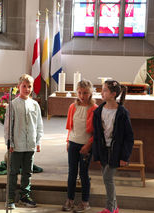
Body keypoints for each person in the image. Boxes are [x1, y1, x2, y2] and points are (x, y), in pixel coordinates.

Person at [92, 80, 134, 213]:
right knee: (107, 178)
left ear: (113, 94)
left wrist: (125, 156)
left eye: (104, 90)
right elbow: (97, 135)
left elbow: (129, 137)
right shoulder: (98, 112)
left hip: (116, 151)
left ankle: (110, 208)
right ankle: (115, 208)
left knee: (107, 178)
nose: (101, 93)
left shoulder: (122, 113)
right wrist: (97, 154)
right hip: (104, 150)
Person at [4, 74, 43, 210]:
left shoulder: (35, 105)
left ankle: (24, 196)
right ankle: (10, 197)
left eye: (29, 86)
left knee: (28, 171)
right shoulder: (13, 105)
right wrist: (10, 143)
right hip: (17, 145)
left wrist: (38, 141)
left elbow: (39, 125)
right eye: (24, 86)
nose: (27, 89)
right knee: (13, 171)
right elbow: (8, 126)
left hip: (30, 144)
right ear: (18, 87)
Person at [62, 79, 98, 212]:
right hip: (73, 143)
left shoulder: (94, 109)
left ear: (91, 93)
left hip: (85, 146)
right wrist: (68, 141)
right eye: (80, 93)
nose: (82, 96)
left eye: (85, 93)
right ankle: (70, 200)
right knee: (71, 173)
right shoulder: (73, 107)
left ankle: (85, 202)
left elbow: (97, 133)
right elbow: (70, 127)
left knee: (83, 174)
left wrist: (88, 145)